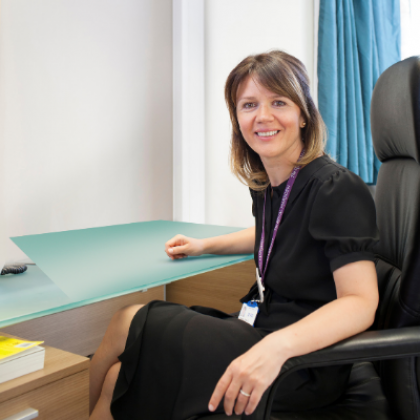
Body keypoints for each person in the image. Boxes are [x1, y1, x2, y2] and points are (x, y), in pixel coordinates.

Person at [89, 50, 379, 420]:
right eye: (249, 105)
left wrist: (276, 347)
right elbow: (275, 230)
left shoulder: (336, 188)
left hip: (302, 360)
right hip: (265, 327)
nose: (263, 116)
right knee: (118, 379)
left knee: (127, 320)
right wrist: (203, 246)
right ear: (237, 119)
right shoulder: (271, 183)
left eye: (278, 102)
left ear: (303, 113)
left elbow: (361, 302)